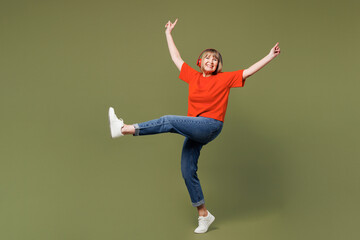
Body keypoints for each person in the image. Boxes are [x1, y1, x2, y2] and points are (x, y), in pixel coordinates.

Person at [108, 18, 281, 234]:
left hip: (210, 125)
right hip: (195, 127)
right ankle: (204, 215)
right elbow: (176, 57)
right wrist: (168, 33)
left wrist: (270, 56)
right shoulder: (193, 77)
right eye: (207, 58)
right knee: (187, 170)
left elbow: (248, 71)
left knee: (169, 120)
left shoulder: (225, 79)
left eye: (215, 60)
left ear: (218, 66)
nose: (211, 61)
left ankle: (124, 128)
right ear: (200, 62)